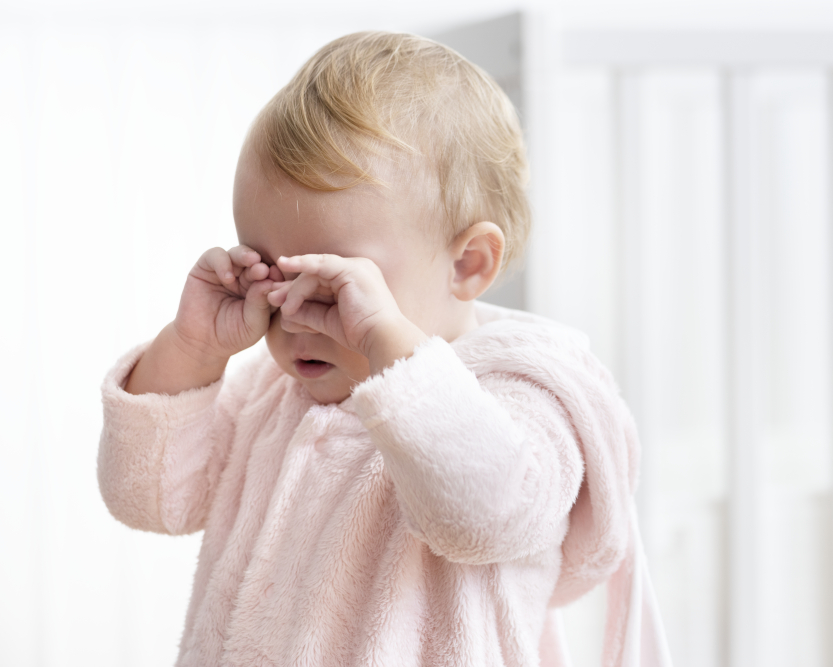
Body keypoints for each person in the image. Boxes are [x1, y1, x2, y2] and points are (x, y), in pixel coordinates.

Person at [98, 31, 670, 667]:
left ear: (468, 264)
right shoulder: (271, 390)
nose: (292, 313)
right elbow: (153, 499)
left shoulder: (522, 392)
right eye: (270, 273)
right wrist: (193, 348)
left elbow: (488, 515)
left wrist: (389, 350)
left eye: (338, 284)